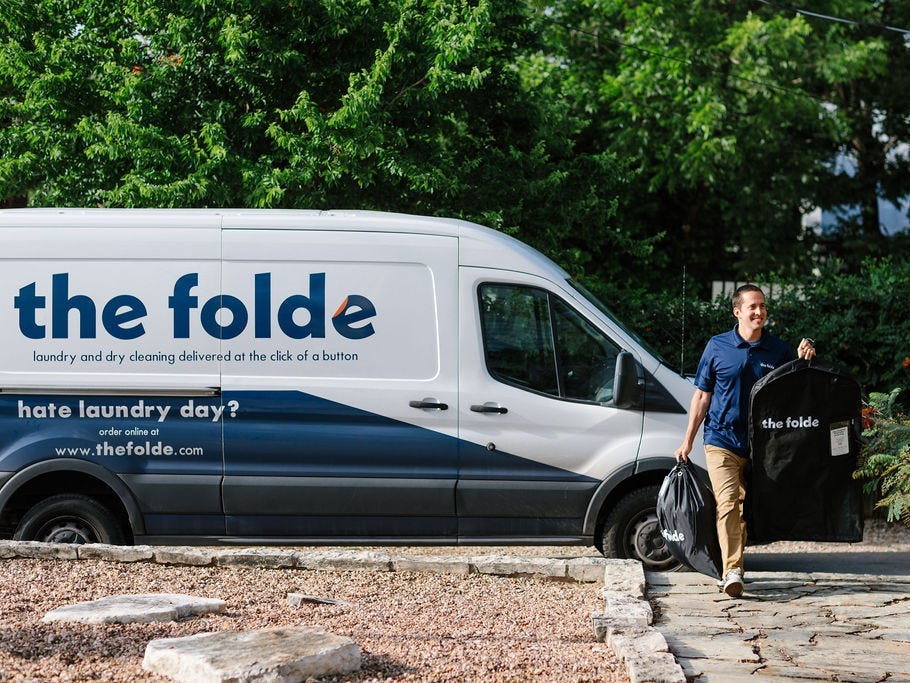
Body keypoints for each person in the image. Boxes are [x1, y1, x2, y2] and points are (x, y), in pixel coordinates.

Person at [674, 284, 816, 597]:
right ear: (737, 312)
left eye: (763, 306)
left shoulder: (777, 351)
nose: (759, 312)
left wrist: (802, 359)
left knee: (750, 507)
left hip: (762, 445)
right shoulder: (717, 346)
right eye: (753, 307)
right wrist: (688, 441)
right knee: (728, 504)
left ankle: (734, 559)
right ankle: (732, 571)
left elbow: (793, 391)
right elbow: (701, 396)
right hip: (721, 439)